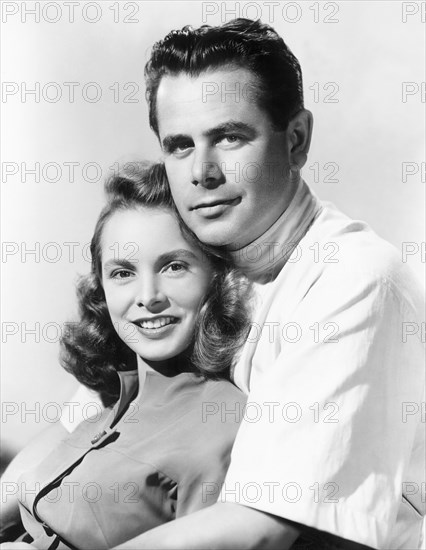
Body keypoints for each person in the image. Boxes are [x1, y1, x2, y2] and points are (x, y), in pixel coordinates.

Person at [2, 17, 424, 550]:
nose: (202, 172)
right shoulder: (194, 257)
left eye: (229, 137)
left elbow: (261, 528)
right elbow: (76, 427)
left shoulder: (350, 280)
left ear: (295, 140)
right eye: (179, 145)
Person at [0, 162, 251, 549]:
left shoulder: (223, 420)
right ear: (101, 287)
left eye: (174, 266)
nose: (148, 296)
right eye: (122, 273)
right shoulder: (107, 404)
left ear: (215, 276)